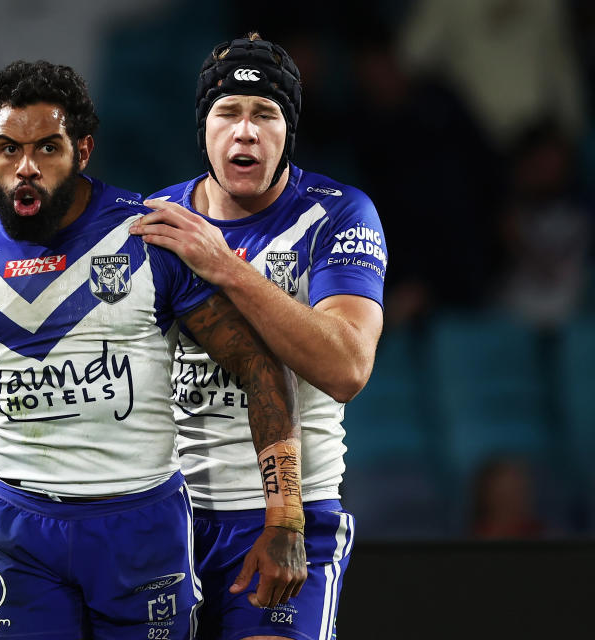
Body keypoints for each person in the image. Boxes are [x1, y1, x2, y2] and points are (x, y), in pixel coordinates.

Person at [0, 60, 304, 638]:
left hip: (141, 528)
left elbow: (258, 365)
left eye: (47, 148)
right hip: (20, 536)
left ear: (83, 149)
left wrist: (285, 517)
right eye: (8, 149)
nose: (26, 168)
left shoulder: (151, 237)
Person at [130, 34, 386, 640]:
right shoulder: (156, 221)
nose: (245, 132)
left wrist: (224, 267)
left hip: (294, 512)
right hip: (169, 513)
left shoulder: (338, 215)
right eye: (228, 113)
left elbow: (348, 367)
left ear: (287, 131)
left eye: (265, 114)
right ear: (204, 127)